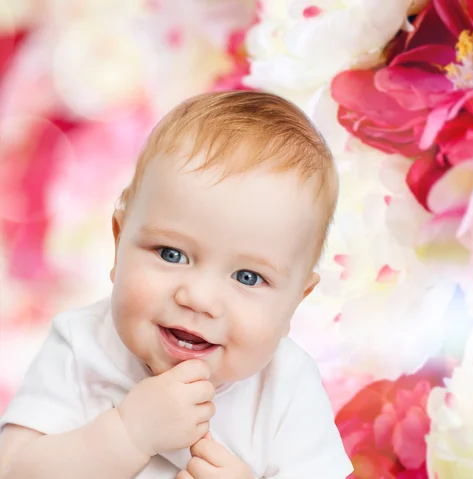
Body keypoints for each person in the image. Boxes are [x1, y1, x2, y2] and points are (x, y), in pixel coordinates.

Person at [0, 91, 353, 479]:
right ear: (119, 244)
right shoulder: (82, 344)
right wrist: (128, 435)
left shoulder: (288, 389)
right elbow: (14, 468)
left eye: (248, 277)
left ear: (294, 304)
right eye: (171, 254)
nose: (198, 299)